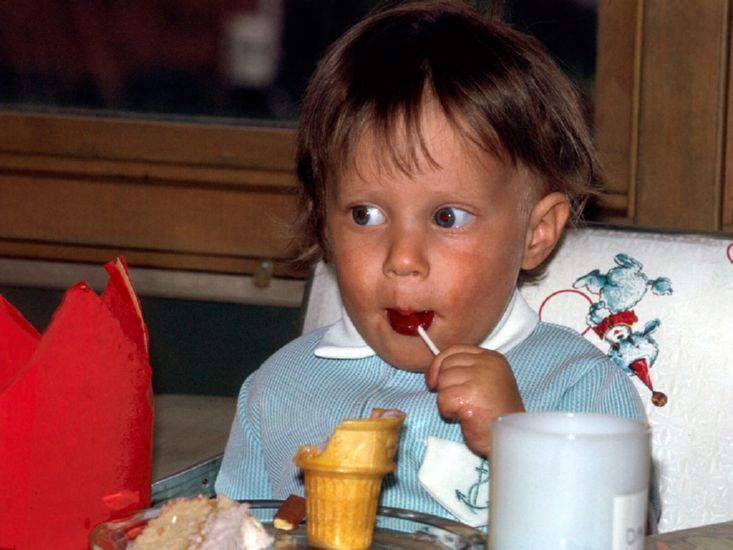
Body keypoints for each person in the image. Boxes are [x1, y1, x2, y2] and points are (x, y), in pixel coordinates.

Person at [216, 0, 651, 527]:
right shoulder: (278, 390)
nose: (402, 259)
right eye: (365, 213)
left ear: (536, 233)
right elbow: (233, 532)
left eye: (447, 217)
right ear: (324, 223)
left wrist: (519, 440)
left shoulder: (578, 387)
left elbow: (619, 534)